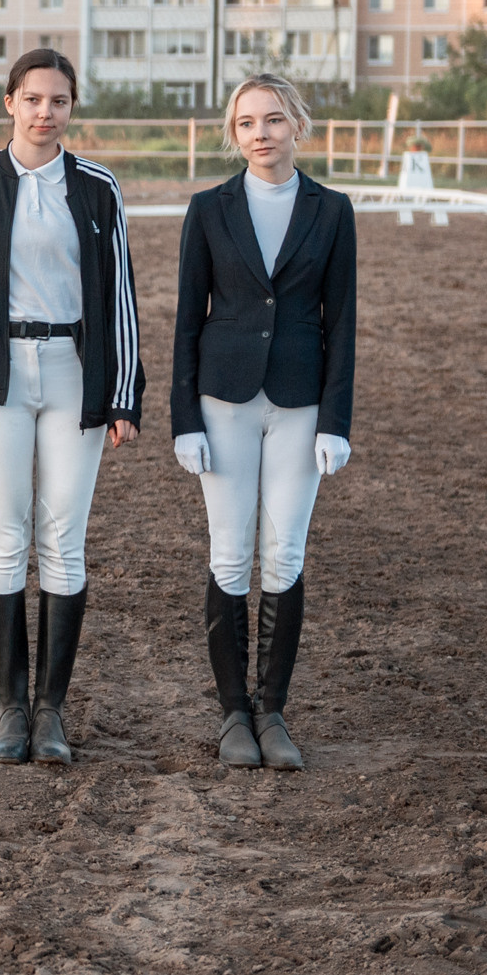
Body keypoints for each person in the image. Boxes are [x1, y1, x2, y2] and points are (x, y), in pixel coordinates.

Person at [0, 48, 143, 767]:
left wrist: (123, 392)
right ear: (10, 103)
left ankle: (52, 710)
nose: (44, 113)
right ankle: (10, 710)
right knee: (5, 536)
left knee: (64, 539)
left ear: (71, 108)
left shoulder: (97, 188)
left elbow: (119, 297)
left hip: (74, 375)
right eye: (32, 99)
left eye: (58, 101)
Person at [171, 73, 355, 771]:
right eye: (247, 122)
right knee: (228, 555)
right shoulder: (209, 209)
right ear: (234, 132)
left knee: (283, 555)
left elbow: (344, 323)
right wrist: (183, 418)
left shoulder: (332, 211)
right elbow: (189, 319)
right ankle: (232, 717)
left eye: (273, 120)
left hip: (301, 405)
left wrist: (335, 420)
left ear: (296, 126)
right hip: (223, 404)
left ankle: (272, 710)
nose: (261, 133)